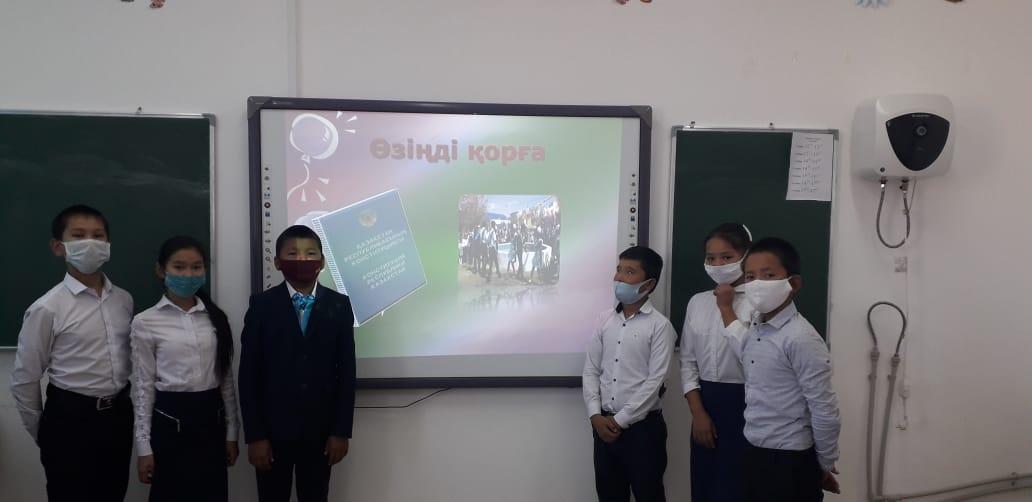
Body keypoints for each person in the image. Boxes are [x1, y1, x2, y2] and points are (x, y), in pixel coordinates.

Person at [10, 204, 135, 501]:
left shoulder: (124, 300)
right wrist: (46, 433)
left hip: (118, 416)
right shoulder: (47, 308)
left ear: (108, 245)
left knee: (113, 494)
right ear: (58, 247)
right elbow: (25, 379)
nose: (90, 242)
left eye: (98, 236)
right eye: (79, 236)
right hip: (69, 420)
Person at [239, 224, 357, 502]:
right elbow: (248, 375)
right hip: (271, 434)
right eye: (292, 253)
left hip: (321, 434)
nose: (302, 259)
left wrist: (341, 431)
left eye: (310, 253)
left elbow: (347, 373)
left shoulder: (339, 305)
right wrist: (255, 436)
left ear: (322, 261)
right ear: (277, 262)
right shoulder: (261, 305)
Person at [724, 237, 841, 501]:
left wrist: (823, 464)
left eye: (768, 275)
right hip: (754, 449)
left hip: (790, 457)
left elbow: (824, 409)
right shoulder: (756, 327)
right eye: (750, 276)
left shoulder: (801, 338)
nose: (757, 284)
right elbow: (740, 345)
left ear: (793, 283)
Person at [131, 236, 240, 501]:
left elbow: (226, 380)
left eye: (196, 267)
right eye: (179, 267)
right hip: (169, 423)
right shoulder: (145, 322)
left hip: (211, 422)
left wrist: (232, 432)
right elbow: (143, 388)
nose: (188, 275)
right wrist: (143, 447)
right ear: (161, 270)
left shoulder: (216, 319)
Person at [583, 246, 676, 502]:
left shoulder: (660, 326)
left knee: (649, 494)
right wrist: (595, 415)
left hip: (643, 431)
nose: (619, 278)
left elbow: (656, 382)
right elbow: (591, 370)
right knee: (609, 495)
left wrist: (620, 420)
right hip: (603, 426)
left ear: (649, 284)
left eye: (629, 272)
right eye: (619, 270)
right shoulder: (604, 320)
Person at [680, 223, 754, 502]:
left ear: (745, 255)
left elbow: (753, 357)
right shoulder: (697, 302)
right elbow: (688, 362)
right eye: (711, 258)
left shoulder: (760, 302)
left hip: (749, 404)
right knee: (705, 485)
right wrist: (698, 414)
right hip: (706, 404)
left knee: (740, 488)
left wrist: (726, 307)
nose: (718, 265)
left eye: (727, 257)